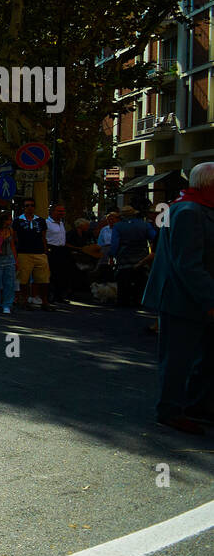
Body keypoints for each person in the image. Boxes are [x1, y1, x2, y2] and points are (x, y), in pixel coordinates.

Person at [142, 161, 214, 434]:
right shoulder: (188, 211)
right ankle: (171, 409)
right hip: (183, 299)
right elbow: (189, 265)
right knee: (178, 358)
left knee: (203, 357)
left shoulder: (192, 207)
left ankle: (197, 405)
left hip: (192, 296)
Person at [112, 205, 158, 309]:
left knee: (123, 280)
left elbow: (115, 243)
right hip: (141, 255)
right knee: (140, 280)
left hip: (124, 256)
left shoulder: (118, 226)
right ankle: (139, 300)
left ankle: (123, 300)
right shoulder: (145, 225)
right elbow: (154, 237)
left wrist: (113, 254)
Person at [13, 197, 52, 311]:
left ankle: (44, 302)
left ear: (35, 207)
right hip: (23, 253)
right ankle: (24, 300)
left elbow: (43, 237)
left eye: (31, 205)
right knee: (23, 279)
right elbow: (14, 237)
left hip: (39, 253)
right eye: (27, 205)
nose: (29, 207)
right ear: (23, 208)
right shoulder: (17, 220)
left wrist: (45, 252)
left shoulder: (40, 220)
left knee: (43, 279)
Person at [45, 204, 72, 304]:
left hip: (62, 250)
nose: (61, 213)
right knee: (52, 274)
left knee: (62, 274)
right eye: (59, 211)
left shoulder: (61, 223)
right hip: (51, 249)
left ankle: (59, 295)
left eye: (62, 211)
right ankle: (49, 296)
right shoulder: (47, 223)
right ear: (52, 212)